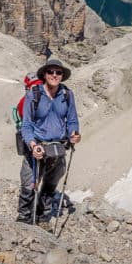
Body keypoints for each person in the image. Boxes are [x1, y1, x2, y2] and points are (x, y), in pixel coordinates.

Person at [17, 58, 81, 223]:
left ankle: (42, 218)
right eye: (50, 72)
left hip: (58, 149)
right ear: (44, 74)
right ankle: (24, 220)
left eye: (58, 72)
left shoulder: (67, 95)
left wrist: (75, 133)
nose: (54, 75)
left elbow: (72, 119)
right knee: (28, 185)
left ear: (62, 75)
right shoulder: (34, 94)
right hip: (37, 147)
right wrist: (32, 145)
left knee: (50, 186)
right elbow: (27, 125)